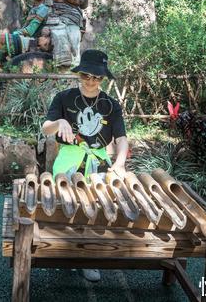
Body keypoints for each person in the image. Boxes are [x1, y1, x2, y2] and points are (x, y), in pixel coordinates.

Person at [41, 49, 129, 282]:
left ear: (103, 78)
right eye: (86, 76)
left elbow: (121, 139)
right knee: (65, 204)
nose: (91, 81)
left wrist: (119, 164)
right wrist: (59, 122)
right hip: (69, 159)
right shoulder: (64, 98)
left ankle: (89, 259)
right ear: (79, 73)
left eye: (97, 77)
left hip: (97, 162)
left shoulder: (111, 105)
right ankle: (62, 251)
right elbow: (45, 127)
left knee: (95, 208)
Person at [0, 0, 53, 69]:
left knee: (1, 38)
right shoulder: (34, 9)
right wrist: (26, 22)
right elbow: (26, 27)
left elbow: (30, 31)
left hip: (35, 41)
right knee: (1, 38)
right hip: (28, 38)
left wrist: (15, 33)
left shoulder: (43, 9)